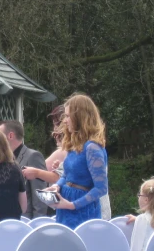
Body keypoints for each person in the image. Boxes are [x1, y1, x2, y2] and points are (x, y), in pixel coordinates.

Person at [44, 94, 109, 229]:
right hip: (65, 205)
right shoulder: (74, 145)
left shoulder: (92, 148)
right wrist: (57, 186)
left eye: (68, 116)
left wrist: (73, 205)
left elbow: (101, 188)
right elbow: (66, 175)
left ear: (80, 117)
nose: (65, 121)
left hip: (82, 209)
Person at [0, 120, 49, 219]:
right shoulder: (4, 159)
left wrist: (37, 223)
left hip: (26, 220)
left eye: (0, 136)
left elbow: (39, 195)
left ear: (11, 136)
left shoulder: (33, 156)